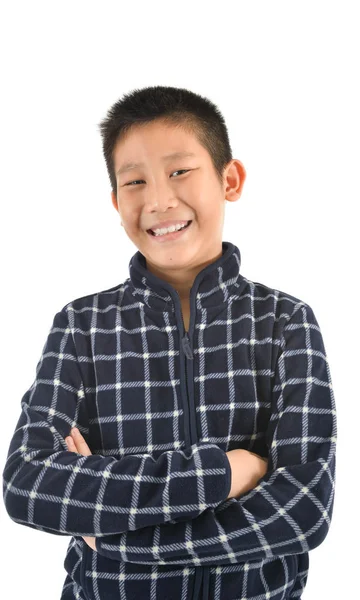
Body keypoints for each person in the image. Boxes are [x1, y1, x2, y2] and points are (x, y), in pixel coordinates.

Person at [2, 85, 337, 600]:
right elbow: (28, 485)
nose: (158, 200)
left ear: (230, 179)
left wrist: (118, 542)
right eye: (134, 181)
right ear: (116, 201)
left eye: (179, 171)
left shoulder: (285, 322)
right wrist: (223, 474)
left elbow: (301, 512)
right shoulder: (81, 326)